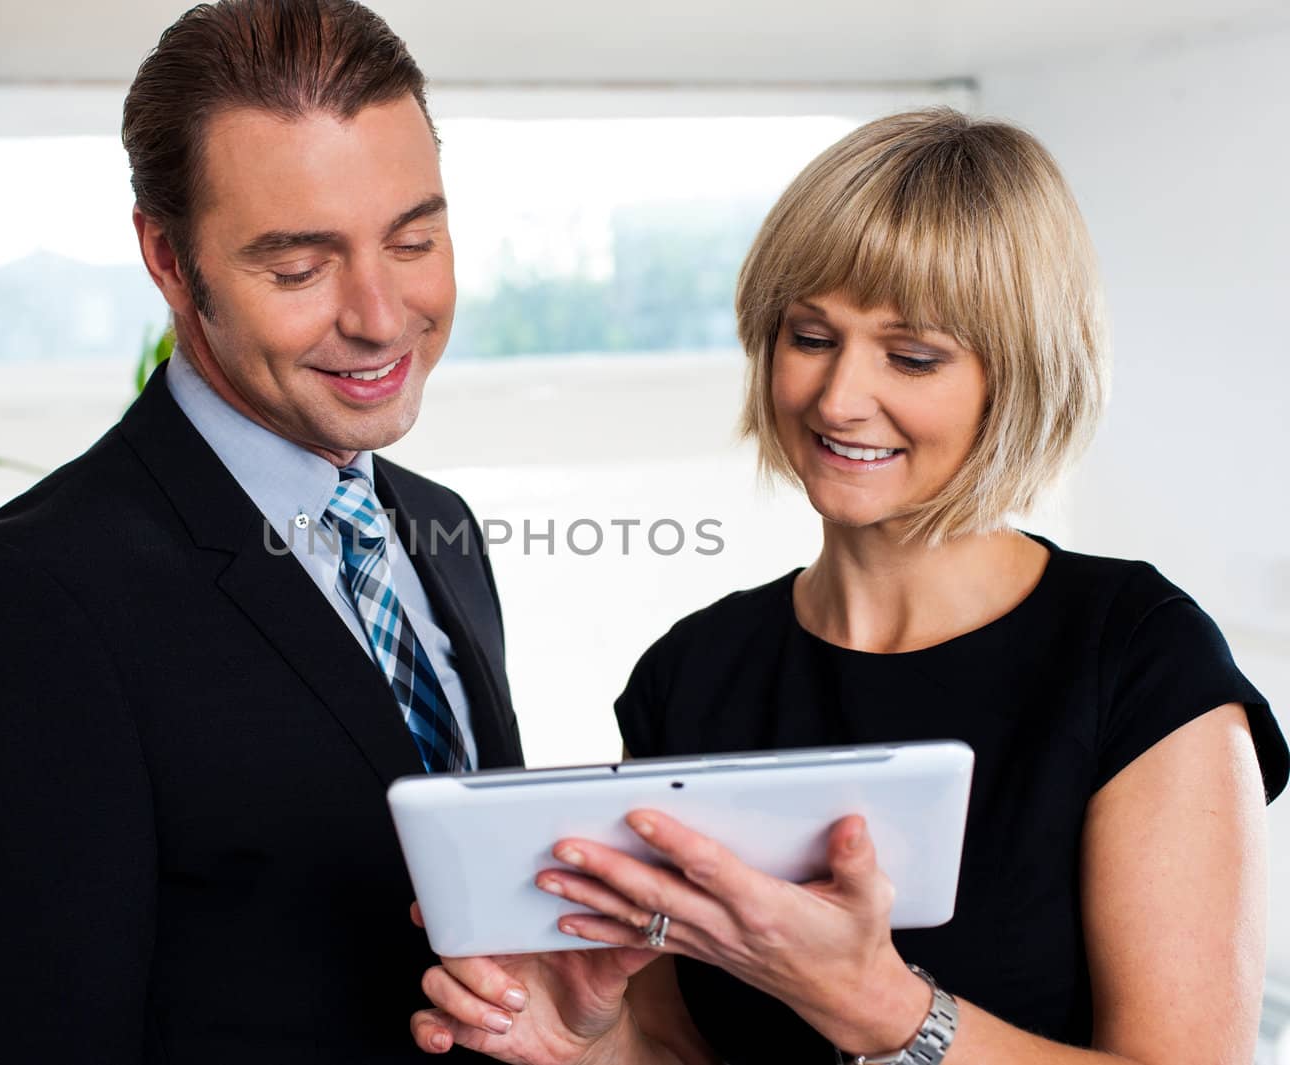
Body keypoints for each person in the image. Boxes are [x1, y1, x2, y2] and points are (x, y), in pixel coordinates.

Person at [409, 109, 1288, 1065]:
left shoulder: (1139, 656)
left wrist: (885, 1010)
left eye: (912, 356)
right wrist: (595, 1044)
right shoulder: (695, 670)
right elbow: (677, 1046)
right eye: (811, 336)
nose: (837, 398)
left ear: (1021, 376)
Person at [0, 2, 523, 1061]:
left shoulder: (437, 528)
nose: (379, 313)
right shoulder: (24, 606)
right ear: (170, 260)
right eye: (298, 268)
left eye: (414, 239)